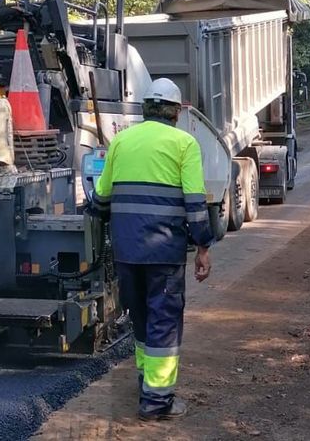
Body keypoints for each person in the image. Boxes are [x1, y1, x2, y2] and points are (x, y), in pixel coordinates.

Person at [94, 78, 214, 421]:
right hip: (164, 252)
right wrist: (203, 247)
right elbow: (194, 203)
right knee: (164, 322)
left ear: (145, 108)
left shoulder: (121, 140)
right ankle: (157, 402)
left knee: (142, 319)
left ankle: (146, 381)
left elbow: (102, 198)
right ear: (177, 112)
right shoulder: (184, 144)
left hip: (126, 252)